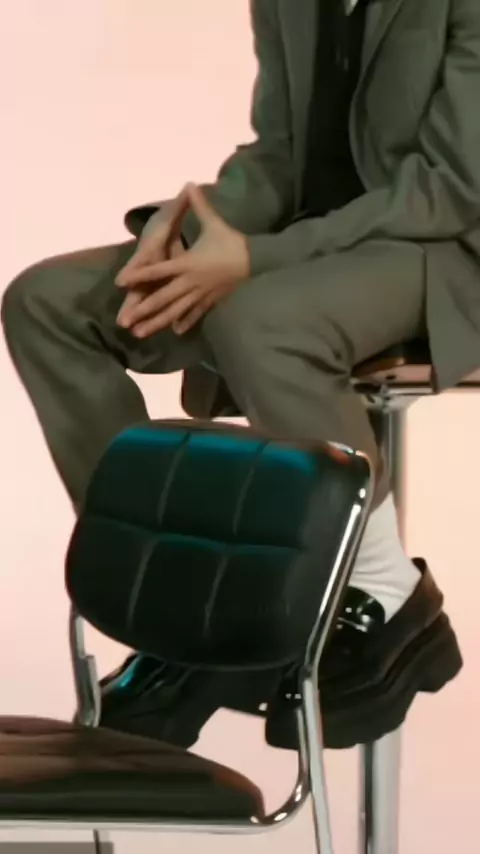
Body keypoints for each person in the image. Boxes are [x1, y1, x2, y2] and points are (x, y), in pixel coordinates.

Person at [3, 0, 478, 748]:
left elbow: (453, 187)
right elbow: (279, 154)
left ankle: (386, 589)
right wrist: (187, 233)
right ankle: (182, 602)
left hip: (447, 249)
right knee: (48, 304)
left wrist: (255, 260)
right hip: (309, 250)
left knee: (257, 318)